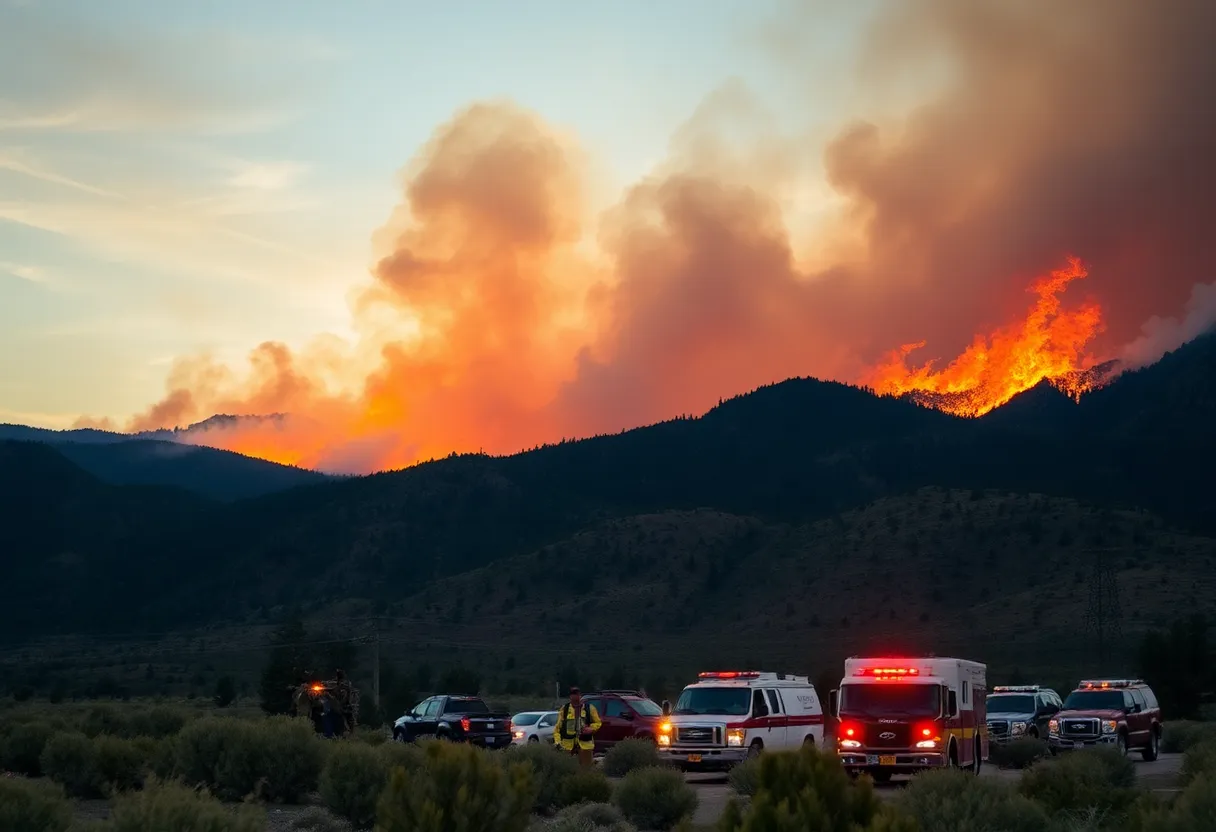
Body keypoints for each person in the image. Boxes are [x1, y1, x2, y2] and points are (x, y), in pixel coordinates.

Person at [553, 686, 601, 767]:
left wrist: (591, 729)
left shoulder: (589, 708)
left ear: (580, 696)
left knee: (586, 769)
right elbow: (557, 729)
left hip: (585, 746)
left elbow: (598, 723)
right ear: (570, 696)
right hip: (567, 747)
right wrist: (558, 743)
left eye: (577, 694)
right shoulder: (564, 709)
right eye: (573, 694)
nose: (575, 696)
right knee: (568, 769)